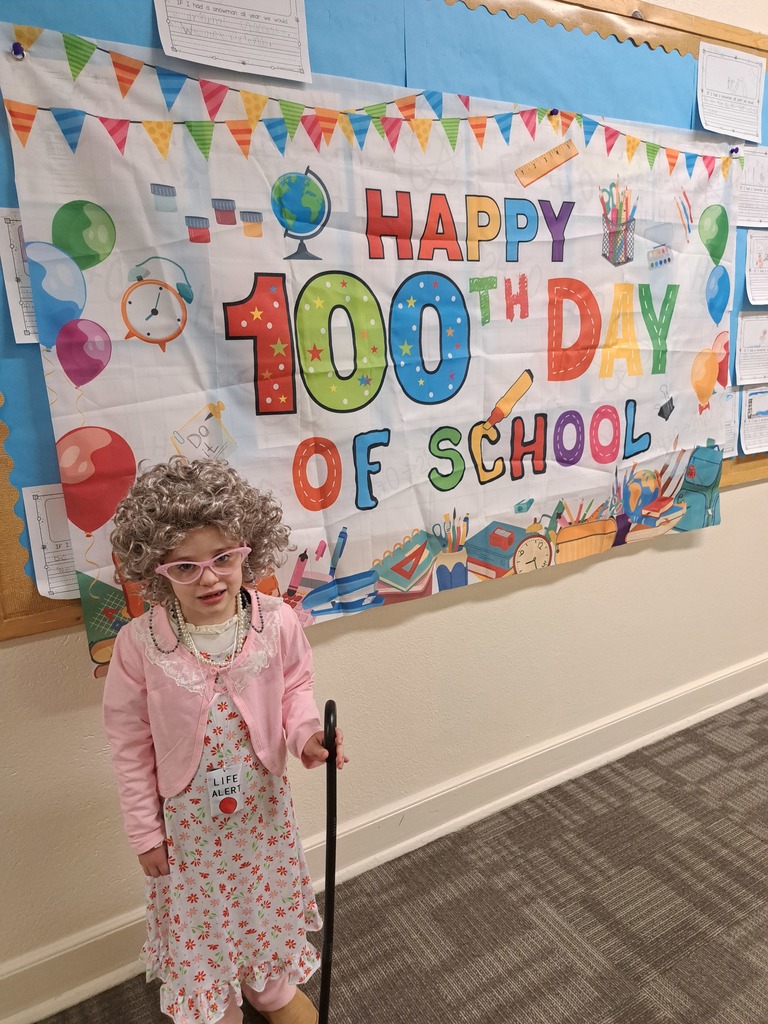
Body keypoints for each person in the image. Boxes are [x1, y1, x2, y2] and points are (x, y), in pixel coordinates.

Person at [103, 457, 347, 1024]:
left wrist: (308, 736)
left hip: (262, 814)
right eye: (185, 567)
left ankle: (267, 984)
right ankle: (213, 1000)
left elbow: (295, 690)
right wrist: (144, 831)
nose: (209, 578)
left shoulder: (276, 622)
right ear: (156, 569)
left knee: (260, 901)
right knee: (204, 915)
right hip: (190, 829)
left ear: (248, 550)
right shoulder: (141, 645)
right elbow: (127, 742)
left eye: (223, 558)